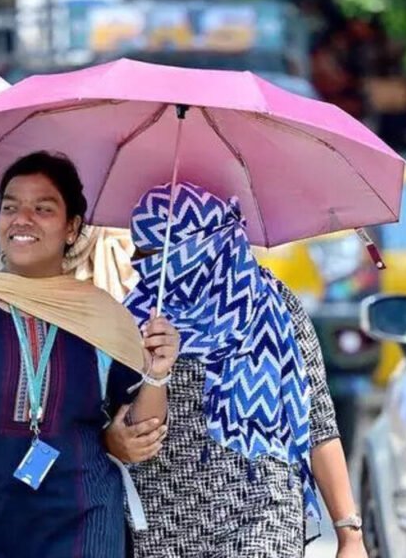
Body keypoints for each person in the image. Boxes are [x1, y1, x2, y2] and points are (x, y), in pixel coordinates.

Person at [0, 151, 179, 558]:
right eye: (10, 207)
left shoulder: (103, 317)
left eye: (42, 209)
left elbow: (140, 433)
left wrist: (156, 373)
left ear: (72, 227)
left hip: (85, 529)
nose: (22, 219)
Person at [116, 182, 366, 557]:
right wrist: (156, 370)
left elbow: (319, 424)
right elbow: (133, 434)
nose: (142, 263)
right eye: (140, 249)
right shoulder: (134, 318)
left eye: (155, 251)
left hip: (263, 510)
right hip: (165, 521)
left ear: (201, 247)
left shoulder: (274, 310)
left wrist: (350, 535)